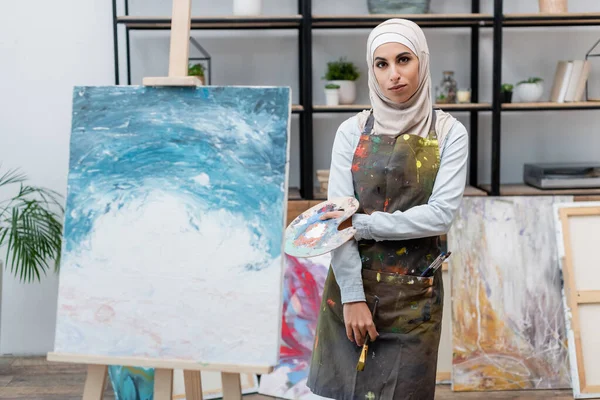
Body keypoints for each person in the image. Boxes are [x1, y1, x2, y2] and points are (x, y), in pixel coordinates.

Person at [306, 18, 468, 400]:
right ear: (372, 70)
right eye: (382, 64)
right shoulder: (352, 131)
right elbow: (336, 221)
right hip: (351, 291)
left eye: (404, 59)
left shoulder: (449, 133)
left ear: (422, 61)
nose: (393, 74)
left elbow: (440, 214)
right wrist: (352, 297)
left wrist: (361, 225)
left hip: (414, 303)